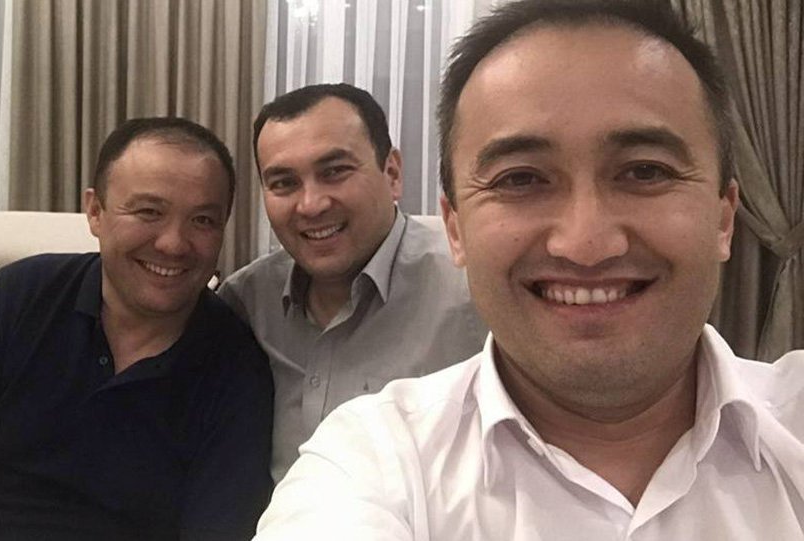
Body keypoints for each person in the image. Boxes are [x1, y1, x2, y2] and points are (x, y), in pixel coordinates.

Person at [254, 1, 804, 539]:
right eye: (520, 179)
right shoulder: (371, 460)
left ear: (724, 217)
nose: (586, 245)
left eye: (644, 171)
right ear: (455, 227)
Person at [0, 118, 274, 541]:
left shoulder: (236, 365)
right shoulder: (23, 296)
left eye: (203, 220)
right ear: (95, 211)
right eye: (149, 212)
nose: (173, 243)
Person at [218, 83, 488, 482]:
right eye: (284, 183)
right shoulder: (247, 301)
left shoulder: (474, 289)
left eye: (334, 172)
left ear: (392, 173)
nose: (311, 204)